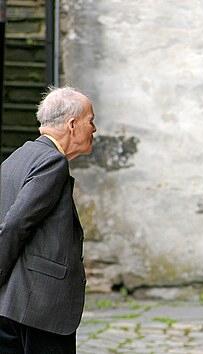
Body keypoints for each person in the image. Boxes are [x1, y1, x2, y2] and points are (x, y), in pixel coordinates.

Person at [0, 86, 97, 353]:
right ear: (73, 124)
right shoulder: (52, 161)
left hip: (13, 305)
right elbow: (16, 224)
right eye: (91, 121)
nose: (95, 129)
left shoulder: (17, 157)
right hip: (40, 308)